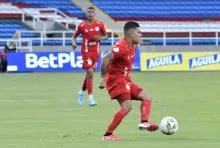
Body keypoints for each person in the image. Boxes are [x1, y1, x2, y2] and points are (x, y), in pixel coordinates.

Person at [99, 22, 159, 140]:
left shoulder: (134, 45)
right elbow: (106, 58)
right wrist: (102, 78)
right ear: (131, 34)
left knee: (147, 97)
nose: (141, 35)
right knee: (127, 106)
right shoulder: (121, 46)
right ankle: (108, 135)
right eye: (139, 32)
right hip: (116, 80)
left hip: (125, 80)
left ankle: (144, 122)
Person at [72, 7, 108, 106]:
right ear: (86, 14)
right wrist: (74, 43)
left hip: (95, 53)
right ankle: (91, 98)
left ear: (94, 14)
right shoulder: (82, 25)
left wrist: (100, 38)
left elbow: (106, 36)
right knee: (90, 73)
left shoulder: (99, 24)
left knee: (89, 75)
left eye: (92, 12)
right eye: (89, 12)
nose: (90, 13)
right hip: (86, 52)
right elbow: (74, 36)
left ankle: (81, 93)